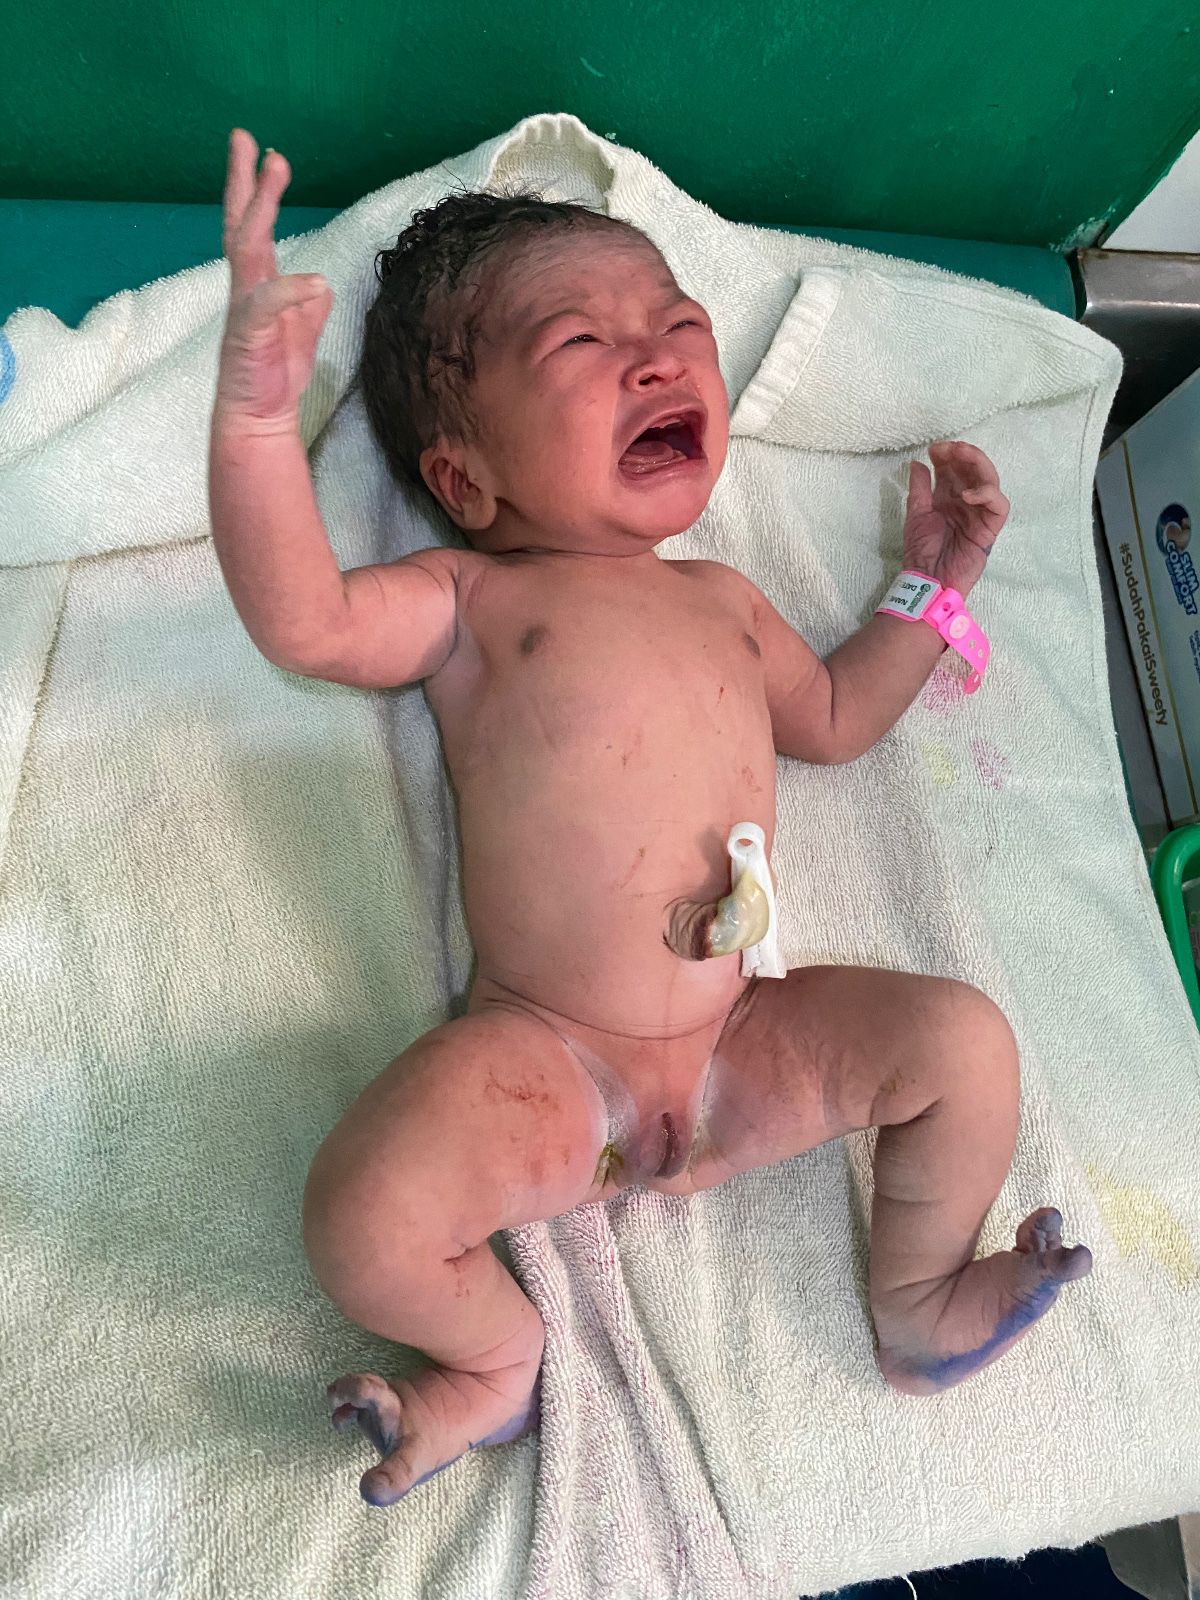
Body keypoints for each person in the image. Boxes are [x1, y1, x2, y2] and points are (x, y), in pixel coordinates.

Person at [208, 128, 1092, 1509]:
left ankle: (918, 1302)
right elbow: (307, 621)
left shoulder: (724, 601)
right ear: (464, 479)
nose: (660, 359)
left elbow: (837, 717)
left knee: (963, 1044)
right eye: (581, 343)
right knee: (364, 1213)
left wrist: (936, 584)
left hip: (745, 1043)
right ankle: (497, 1362)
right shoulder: (472, 602)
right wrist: (259, 425)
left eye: (680, 326)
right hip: (550, 1059)